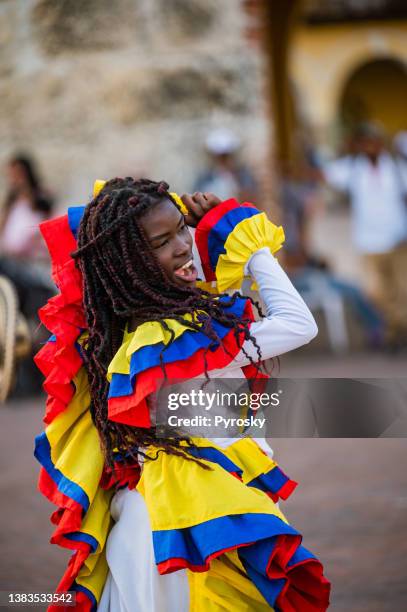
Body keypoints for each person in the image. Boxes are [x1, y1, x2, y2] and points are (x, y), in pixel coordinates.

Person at [34, 178, 330, 611]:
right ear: (129, 262)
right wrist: (244, 238)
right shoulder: (172, 339)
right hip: (184, 515)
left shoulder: (142, 326)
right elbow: (298, 324)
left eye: (181, 230)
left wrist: (208, 228)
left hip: (175, 505)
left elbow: (211, 294)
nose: (183, 246)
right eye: (161, 241)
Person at [322, 123, 407, 347]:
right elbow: (328, 173)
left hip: (398, 238)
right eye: (365, 142)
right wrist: (346, 148)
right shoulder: (352, 169)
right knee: (375, 291)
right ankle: (395, 326)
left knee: (401, 290)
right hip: (368, 241)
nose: (370, 147)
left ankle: (393, 334)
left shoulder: (397, 167)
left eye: (374, 142)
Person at [0, 154, 54, 318]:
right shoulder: (12, 202)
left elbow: (44, 230)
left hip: (32, 264)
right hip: (12, 261)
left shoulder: (41, 199)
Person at [193, 128, 258, 202]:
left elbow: (251, 198)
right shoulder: (204, 178)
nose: (223, 160)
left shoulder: (243, 176)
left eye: (226, 156)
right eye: (219, 157)